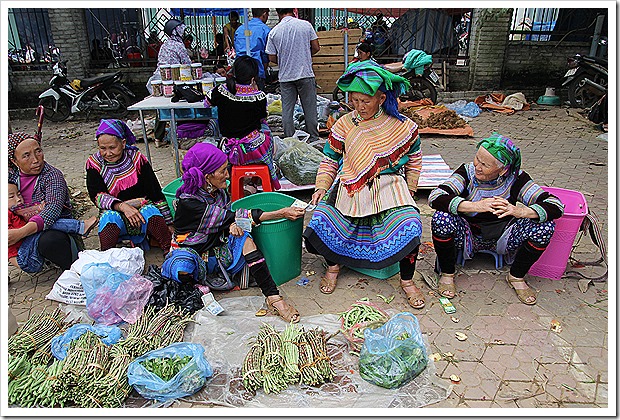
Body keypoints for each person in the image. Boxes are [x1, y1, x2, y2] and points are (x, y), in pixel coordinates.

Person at [303, 61, 426, 309]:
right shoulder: (345, 124)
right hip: (350, 185)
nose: (359, 106)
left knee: (410, 225)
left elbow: (414, 159)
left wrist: (411, 190)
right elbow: (330, 159)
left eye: (365, 101)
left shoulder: (402, 126)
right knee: (320, 221)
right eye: (354, 100)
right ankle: (333, 266)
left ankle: (407, 280)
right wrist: (321, 188)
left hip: (389, 184)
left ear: (381, 98)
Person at [173, 143, 305, 322]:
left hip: (216, 247)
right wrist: (280, 212)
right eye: (222, 171)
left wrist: (230, 225)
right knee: (181, 266)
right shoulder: (189, 203)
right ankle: (199, 285)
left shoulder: (217, 192)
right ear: (207, 176)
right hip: (194, 252)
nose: (227, 175)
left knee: (244, 237)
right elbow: (232, 215)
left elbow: (228, 218)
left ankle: (273, 297)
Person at [428, 134, 564, 305]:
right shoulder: (467, 172)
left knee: (544, 226)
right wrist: (476, 206)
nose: (477, 166)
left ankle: (516, 277)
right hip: (467, 234)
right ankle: (447, 274)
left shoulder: (516, 179)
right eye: (477, 158)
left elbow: (556, 205)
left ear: (503, 170)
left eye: (485, 165)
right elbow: (435, 197)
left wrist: (518, 211)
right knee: (442, 218)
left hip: (504, 236)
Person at [86, 119, 173, 254]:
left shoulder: (137, 158)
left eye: (112, 147)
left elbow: (154, 192)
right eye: (103, 148)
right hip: (115, 212)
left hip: (141, 211)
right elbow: (97, 196)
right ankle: (107, 257)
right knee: (109, 219)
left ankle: (169, 251)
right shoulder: (94, 163)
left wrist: (169, 223)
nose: (107, 153)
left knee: (151, 212)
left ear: (123, 143)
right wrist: (123, 207)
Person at [8, 133, 84, 272]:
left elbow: (52, 211)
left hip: (51, 230)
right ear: (14, 161)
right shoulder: (10, 177)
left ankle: (72, 271)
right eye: (26, 155)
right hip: (18, 229)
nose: (36, 159)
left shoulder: (53, 176)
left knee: (50, 240)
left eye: (38, 151)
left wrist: (19, 233)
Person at [205, 55, 280, 190]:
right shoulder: (259, 96)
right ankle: (258, 179)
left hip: (229, 150)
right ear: (253, 78)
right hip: (254, 150)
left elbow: (206, 103)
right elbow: (263, 119)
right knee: (266, 131)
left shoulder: (221, 90)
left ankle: (243, 184)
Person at [8, 182, 98, 270]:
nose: (18, 199)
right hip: (24, 258)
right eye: (11, 197)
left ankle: (80, 228)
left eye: (19, 194)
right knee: (41, 223)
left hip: (28, 252)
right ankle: (80, 227)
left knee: (40, 222)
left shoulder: (16, 211)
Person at [266, 8, 321, 142]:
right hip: (305, 74)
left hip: (286, 77)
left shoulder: (274, 32)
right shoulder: (305, 25)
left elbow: (271, 57)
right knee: (310, 109)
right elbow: (316, 47)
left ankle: (290, 139)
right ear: (293, 10)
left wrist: (285, 60)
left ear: (278, 13)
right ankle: (313, 138)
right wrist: (305, 56)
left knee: (287, 110)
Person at [149, 18, 192, 145]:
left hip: (160, 79)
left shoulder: (165, 45)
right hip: (174, 80)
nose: (183, 32)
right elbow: (187, 64)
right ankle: (180, 136)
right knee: (178, 106)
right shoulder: (179, 46)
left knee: (162, 108)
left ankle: (158, 137)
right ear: (175, 31)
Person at [234, 8, 271, 90]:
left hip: (240, 71)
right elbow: (266, 55)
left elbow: (236, 48)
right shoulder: (265, 30)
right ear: (264, 14)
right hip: (257, 73)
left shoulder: (239, 30)